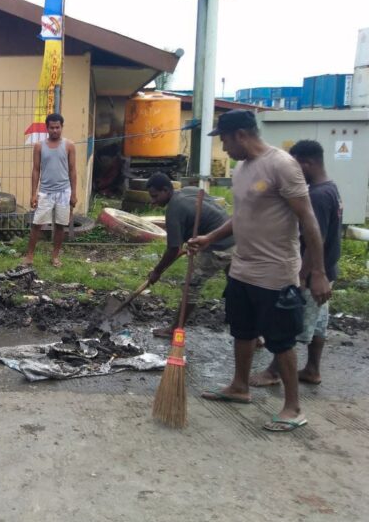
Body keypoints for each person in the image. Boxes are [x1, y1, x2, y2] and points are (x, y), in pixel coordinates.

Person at [188, 110, 331, 432]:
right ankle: (240, 386)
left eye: (223, 139)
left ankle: (293, 407)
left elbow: (309, 220)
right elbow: (242, 216)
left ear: (240, 134)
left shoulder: (282, 165)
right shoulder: (242, 169)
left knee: (281, 340)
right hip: (242, 269)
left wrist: (318, 271)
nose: (223, 148)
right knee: (243, 331)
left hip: (275, 273)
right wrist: (210, 237)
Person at [249, 140, 342, 387]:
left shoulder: (317, 196)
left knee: (294, 324)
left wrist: (304, 275)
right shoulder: (329, 188)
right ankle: (312, 369)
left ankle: (273, 372)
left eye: (294, 166)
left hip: (312, 274)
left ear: (306, 163)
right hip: (327, 270)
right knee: (318, 323)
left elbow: (315, 237)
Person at [145, 173, 235, 338]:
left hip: (219, 246)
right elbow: (206, 214)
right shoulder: (190, 190)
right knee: (238, 286)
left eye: (155, 196)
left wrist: (157, 271)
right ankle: (254, 335)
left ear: (166, 190)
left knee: (191, 286)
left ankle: (174, 329)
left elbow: (173, 249)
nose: (153, 201)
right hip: (236, 238)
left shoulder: (174, 209)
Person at [22, 113, 77, 268]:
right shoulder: (39, 146)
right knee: (36, 224)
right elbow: (35, 170)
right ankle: (29, 256)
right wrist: (34, 194)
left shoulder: (69, 145)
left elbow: (73, 170)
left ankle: (55, 257)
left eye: (57, 127)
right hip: (45, 192)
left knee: (60, 225)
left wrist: (73, 193)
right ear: (47, 128)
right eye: (51, 127)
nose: (54, 130)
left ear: (62, 127)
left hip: (63, 192)